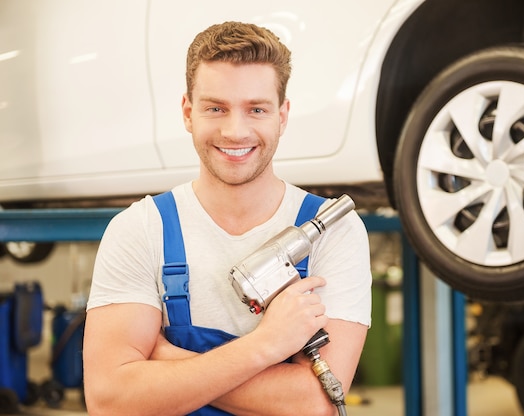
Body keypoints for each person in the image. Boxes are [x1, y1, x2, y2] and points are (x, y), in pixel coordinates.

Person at [83, 21, 372, 416]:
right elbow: (110, 399)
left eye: (256, 109)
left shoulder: (335, 231)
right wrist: (264, 345)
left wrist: (166, 361)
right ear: (188, 112)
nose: (235, 131)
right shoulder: (140, 229)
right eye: (215, 108)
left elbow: (315, 401)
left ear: (282, 116)